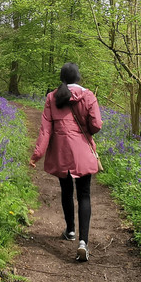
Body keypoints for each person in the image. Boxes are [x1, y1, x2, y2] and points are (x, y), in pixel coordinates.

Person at [29, 63, 102, 262]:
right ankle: (83, 242)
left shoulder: (52, 97)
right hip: (82, 152)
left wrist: (36, 155)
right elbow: (96, 125)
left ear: (62, 78)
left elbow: (45, 131)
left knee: (66, 190)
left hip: (61, 153)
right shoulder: (88, 96)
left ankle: (70, 230)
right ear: (78, 77)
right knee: (84, 195)